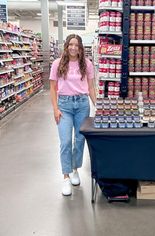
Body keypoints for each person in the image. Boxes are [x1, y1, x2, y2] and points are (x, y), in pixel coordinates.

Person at [49, 34, 96, 196]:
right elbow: (53, 88)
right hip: (64, 106)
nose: (73, 48)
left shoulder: (87, 64)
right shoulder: (57, 64)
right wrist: (55, 109)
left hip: (82, 105)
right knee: (66, 141)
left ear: (81, 47)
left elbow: (90, 88)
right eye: (71, 44)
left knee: (80, 139)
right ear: (66, 46)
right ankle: (66, 176)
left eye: (76, 45)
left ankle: (75, 169)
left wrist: (99, 105)